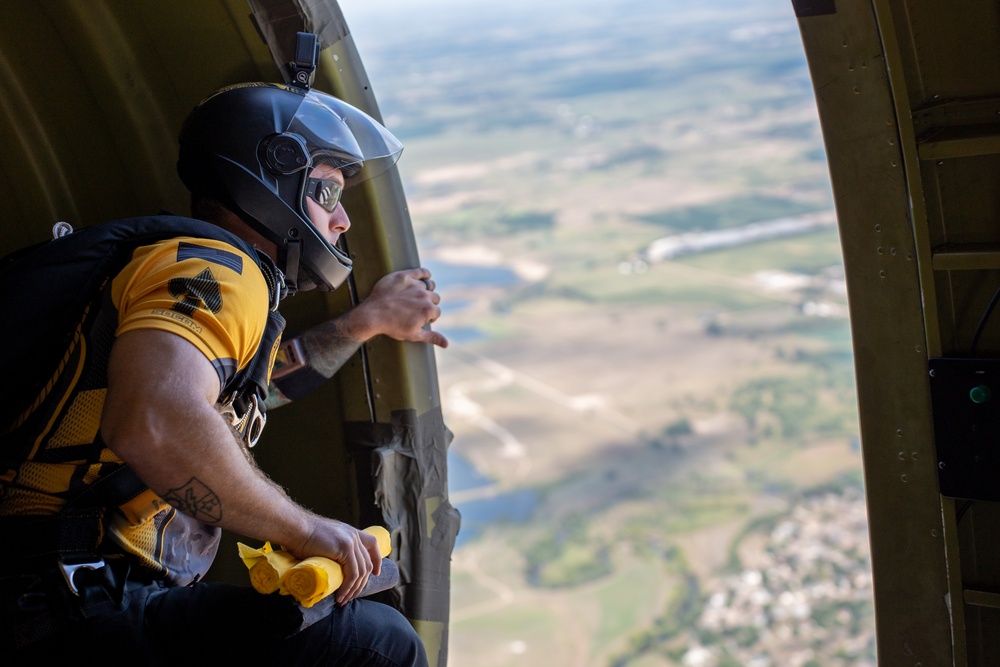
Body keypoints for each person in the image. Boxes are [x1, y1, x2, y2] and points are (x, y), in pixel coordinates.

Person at [0, 82, 442, 666]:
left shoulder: (185, 268)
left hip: (57, 596)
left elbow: (239, 404)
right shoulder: (221, 270)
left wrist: (363, 324)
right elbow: (157, 419)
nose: (342, 220)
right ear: (276, 176)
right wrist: (306, 530)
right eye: (329, 191)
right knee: (376, 646)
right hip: (62, 605)